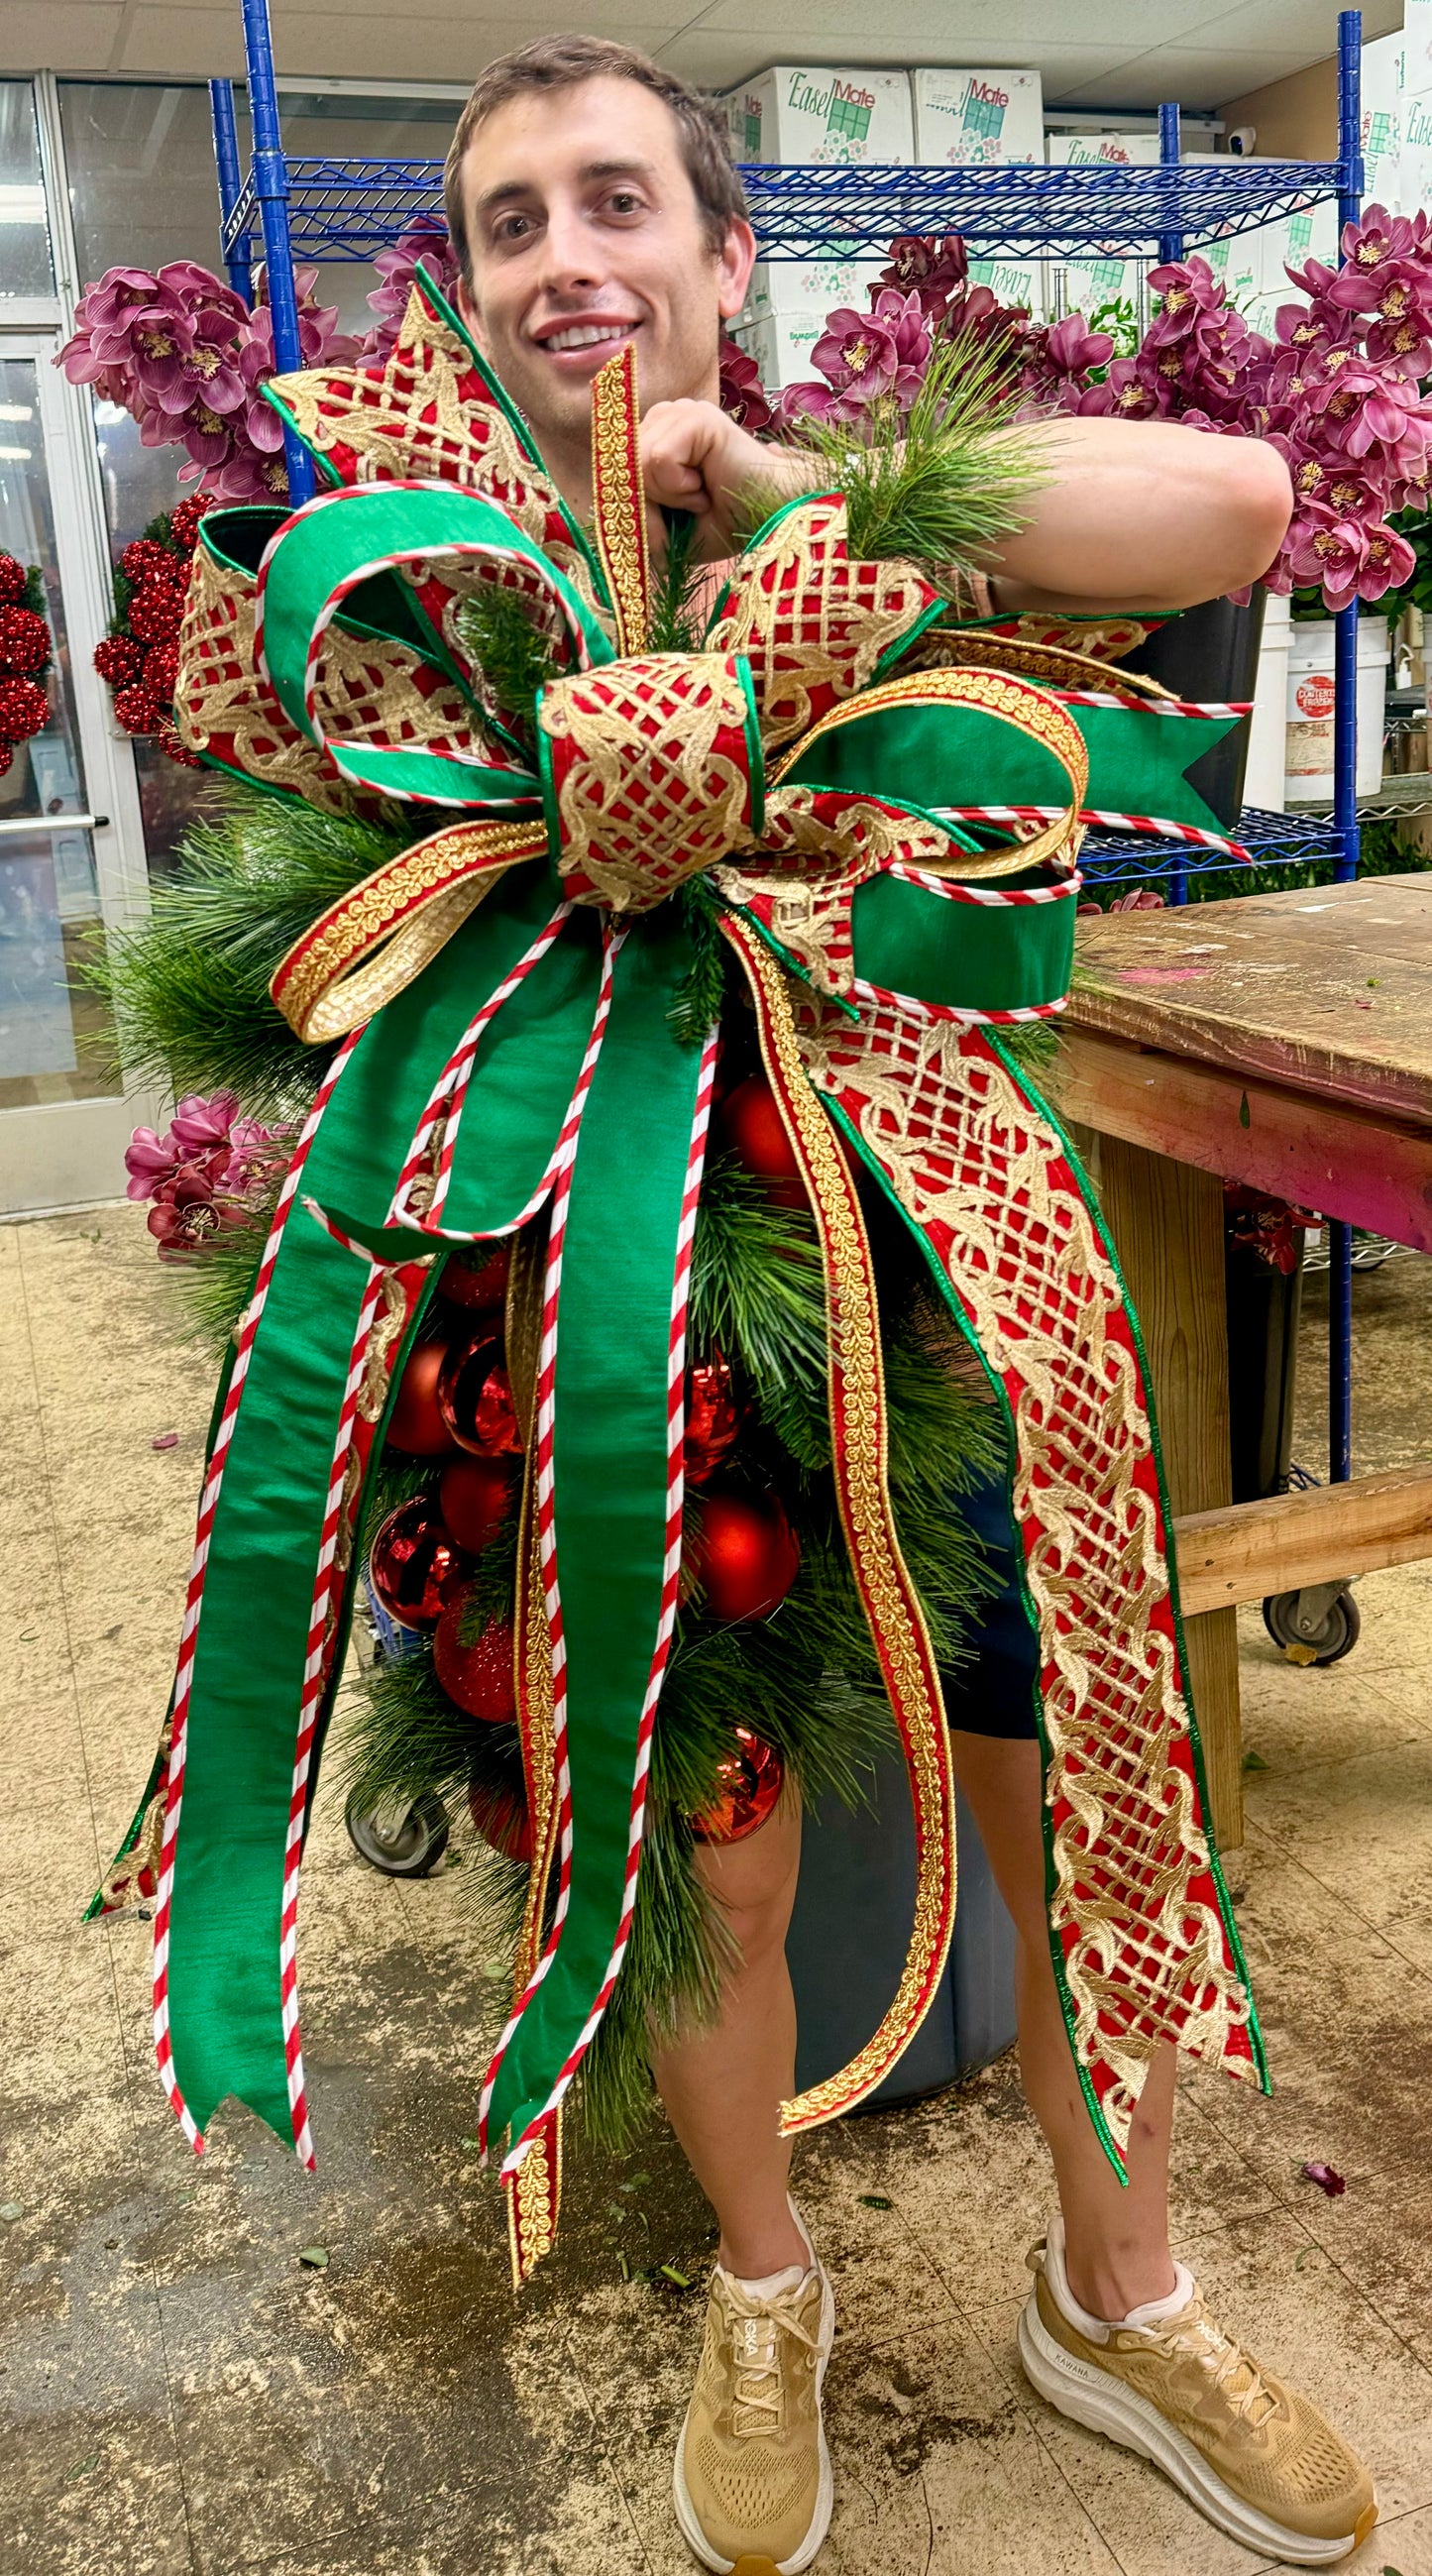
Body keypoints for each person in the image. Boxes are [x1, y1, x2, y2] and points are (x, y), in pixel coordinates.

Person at [437, 35, 1379, 2576]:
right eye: (510, 221)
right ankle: (770, 2286)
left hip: (945, 1262)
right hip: (630, 1296)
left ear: (729, 254)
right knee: (714, 1857)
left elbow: (1242, 496)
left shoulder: (867, 501)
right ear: (472, 291)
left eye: (615, 198)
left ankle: (1128, 2293)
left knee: (1071, 1788)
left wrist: (794, 497)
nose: (567, 258)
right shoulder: (424, 591)